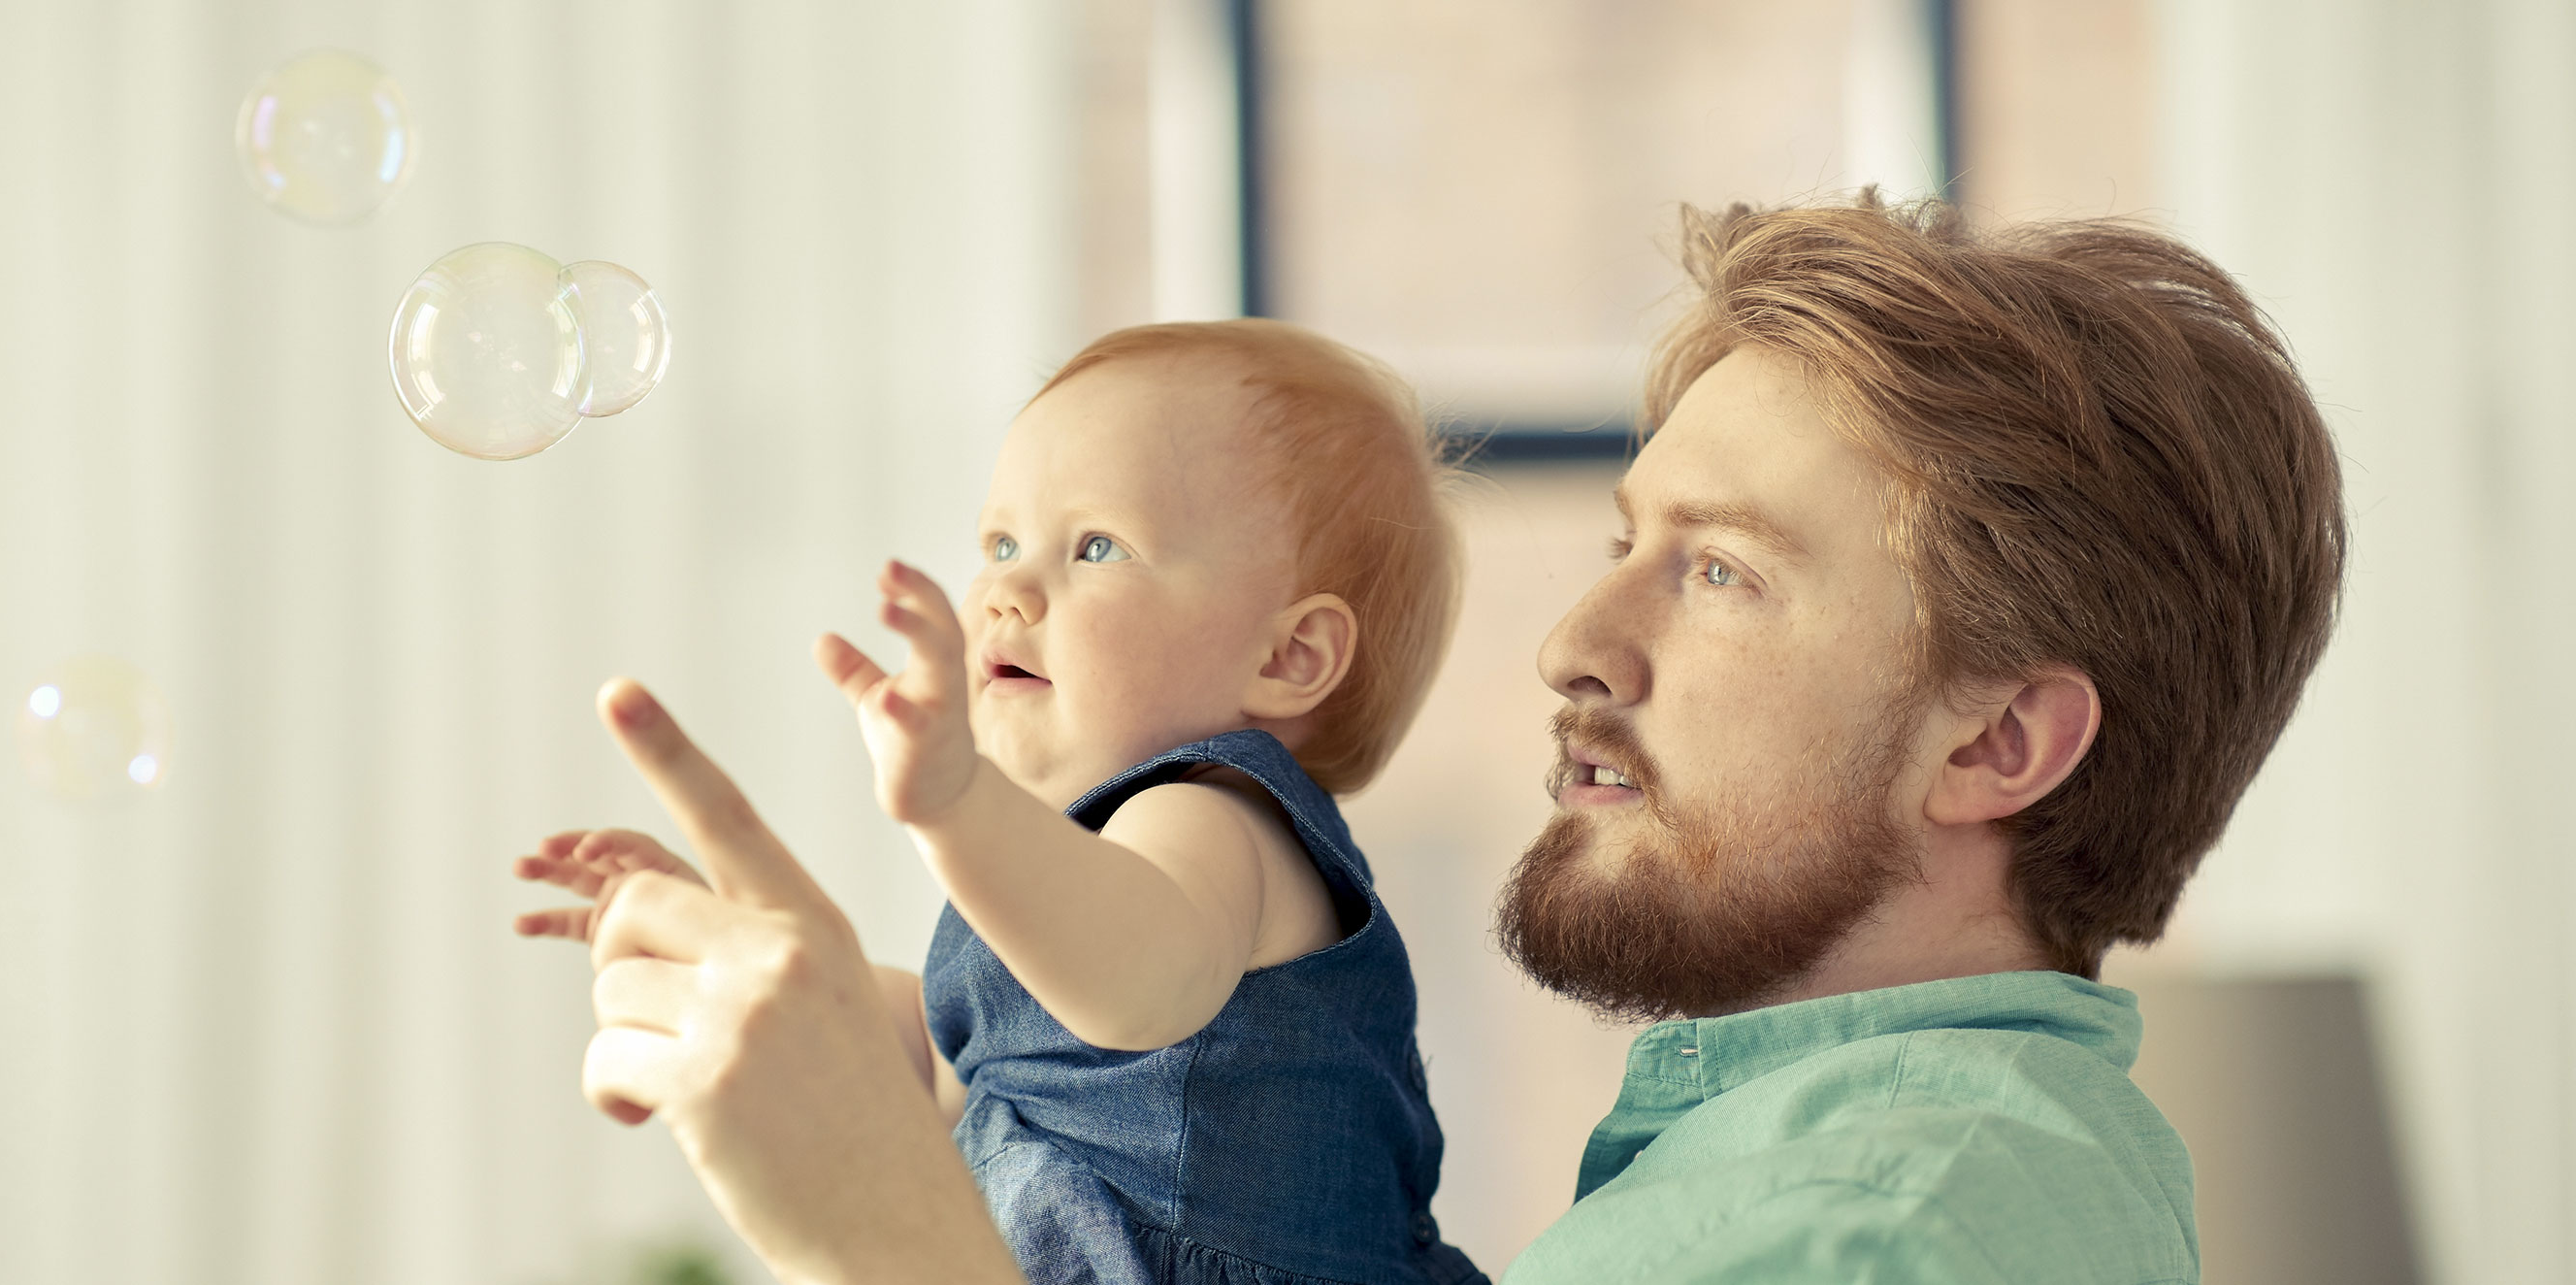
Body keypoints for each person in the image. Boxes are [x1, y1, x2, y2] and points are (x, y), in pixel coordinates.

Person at [548, 195, 2345, 1284]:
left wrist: (861, 1221)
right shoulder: (1818, 1166)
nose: (1574, 640)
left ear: (1997, 744)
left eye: (1719, 571)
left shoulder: (1870, 1222)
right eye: (1624, 539)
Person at [522, 321, 1487, 1285]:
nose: (1006, 590)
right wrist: (734, 944)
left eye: (1097, 545)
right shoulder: (1057, 888)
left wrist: (952, 802)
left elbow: (1140, 984)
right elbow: (947, 1080)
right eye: (1001, 541)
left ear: (1288, 657)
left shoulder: (1217, 818)